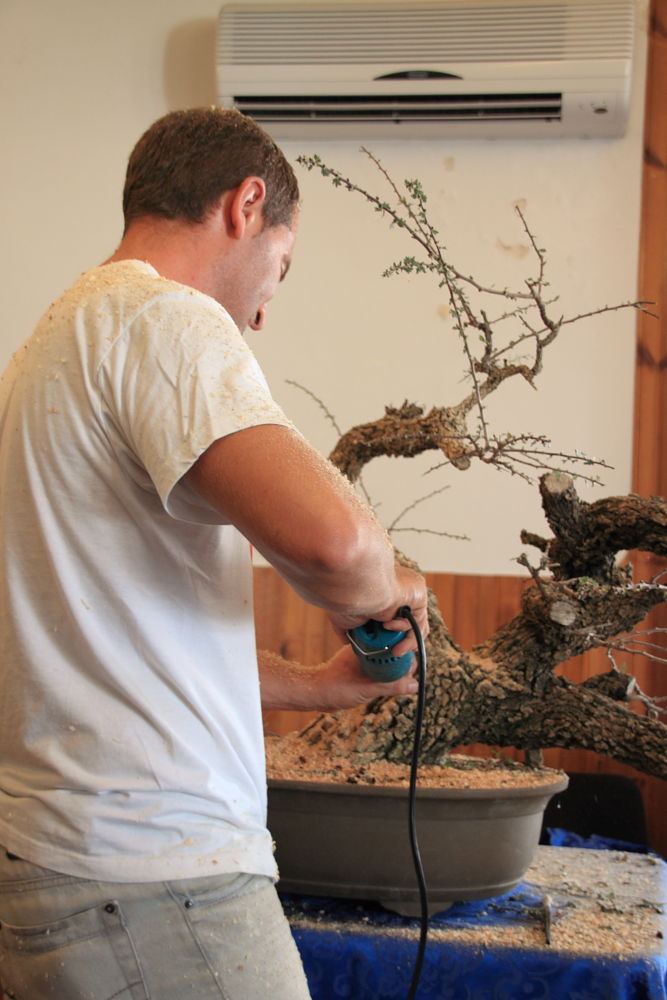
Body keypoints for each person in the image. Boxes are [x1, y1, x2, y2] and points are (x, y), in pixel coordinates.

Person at [0, 107, 429, 999]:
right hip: (157, 882)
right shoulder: (161, 319)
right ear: (246, 205)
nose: (264, 312)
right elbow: (338, 546)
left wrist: (317, 685)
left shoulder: (48, 351)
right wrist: (388, 591)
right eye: (281, 267)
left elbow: (102, 639)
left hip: (61, 867)